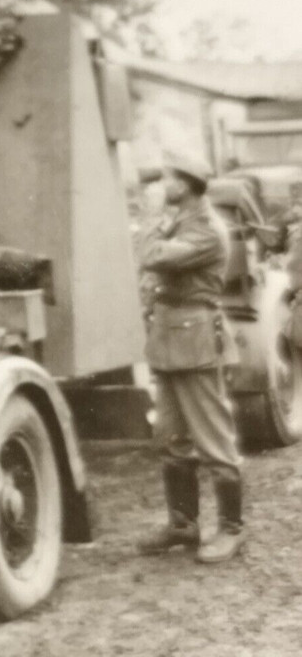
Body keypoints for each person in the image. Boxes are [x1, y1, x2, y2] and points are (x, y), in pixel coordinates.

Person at [136, 150, 245, 564]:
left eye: (167, 179)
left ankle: (232, 529)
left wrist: (148, 216)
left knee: (215, 441)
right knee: (172, 438)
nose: (162, 185)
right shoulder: (182, 221)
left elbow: (151, 256)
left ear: (185, 184)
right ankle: (183, 524)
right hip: (168, 339)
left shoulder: (206, 230)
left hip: (195, 341)